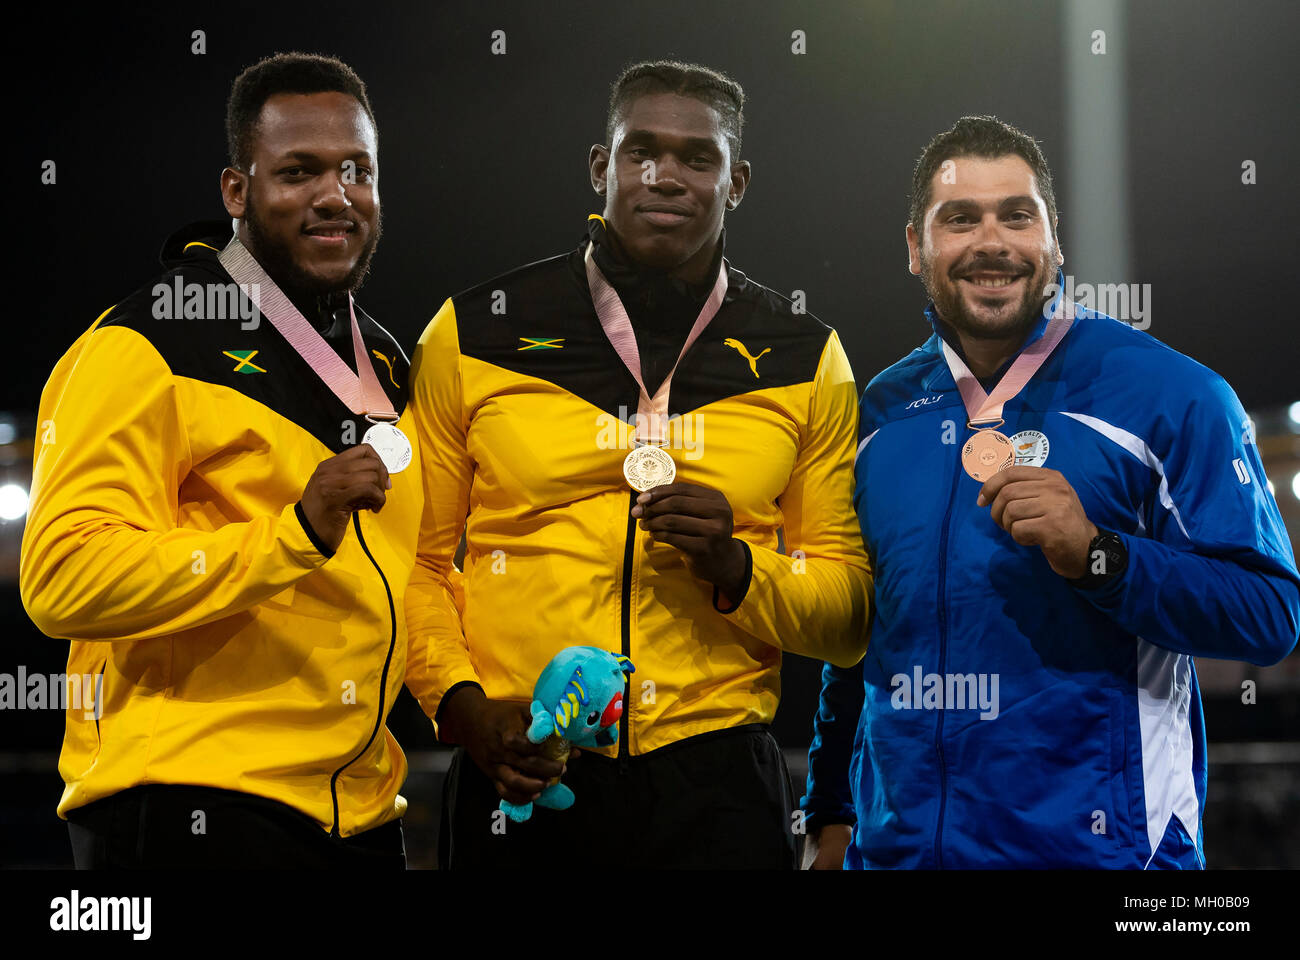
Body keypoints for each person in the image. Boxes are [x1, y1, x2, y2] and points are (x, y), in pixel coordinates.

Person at [406, 59, 872, 869]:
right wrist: (460, 707)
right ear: (600, 166)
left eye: (700, 159)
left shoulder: (807, 355)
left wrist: (739, 568)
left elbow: (848, 617)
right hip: (520, 763)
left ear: (737, 183)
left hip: (719, 783)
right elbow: (411, 565)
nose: (667, 177)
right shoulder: (473, 331)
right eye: (641, 152)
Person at [807, 114, 1299, 869]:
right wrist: (829, 809)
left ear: (1055, 239)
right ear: (915, 247)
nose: (992, 242)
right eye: (959, 219)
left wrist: (1103, 557)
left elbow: (1271, 614)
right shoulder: (875, 413)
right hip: (899, 857)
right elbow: (858, 633)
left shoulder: (1174, 395)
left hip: (1103, 858)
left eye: (1017, 215)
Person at [20, 52, 427, 868]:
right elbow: (61, 577)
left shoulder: (385, 361)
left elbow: (402, 583)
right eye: (298, 172)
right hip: (187, 806)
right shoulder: (143, 343)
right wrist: (293, 534)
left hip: (358, 812)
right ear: (237, 191)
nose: (333, 195)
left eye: (357, 170)